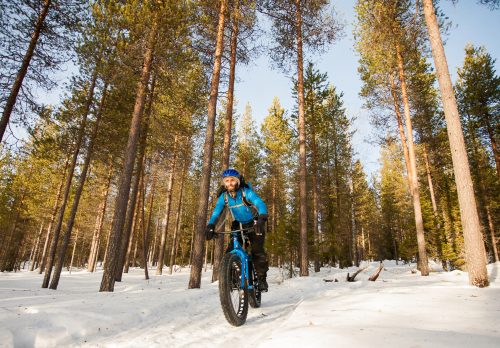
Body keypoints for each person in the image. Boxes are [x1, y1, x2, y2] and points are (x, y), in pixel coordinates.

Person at [205, 168, 269, 292]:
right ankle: (234, 279)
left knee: (257, 251)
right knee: (230, 252)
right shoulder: (224, 197)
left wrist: (262, 218)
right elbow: (216, 212)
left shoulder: (246, 192)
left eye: (232, 180)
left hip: (255, 223)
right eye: (227, 181)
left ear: (238, 181)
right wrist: (210, 225)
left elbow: (259, 203)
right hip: (238, 225)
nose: (230, 183)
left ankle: (261, 280)